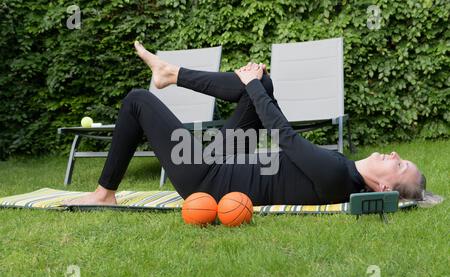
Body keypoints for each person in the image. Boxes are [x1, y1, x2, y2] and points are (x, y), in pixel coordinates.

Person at [63, 41, 429, 207]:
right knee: (263, 84)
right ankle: (170, 73)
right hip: (227, 161)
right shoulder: (343, 169)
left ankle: (104, 193)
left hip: (205, 176)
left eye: (400, 165)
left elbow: (283, 136)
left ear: (383, 185)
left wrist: (252, 84)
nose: (395, 154)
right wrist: (256, 86)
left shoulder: (338, 175)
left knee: (136, 100)